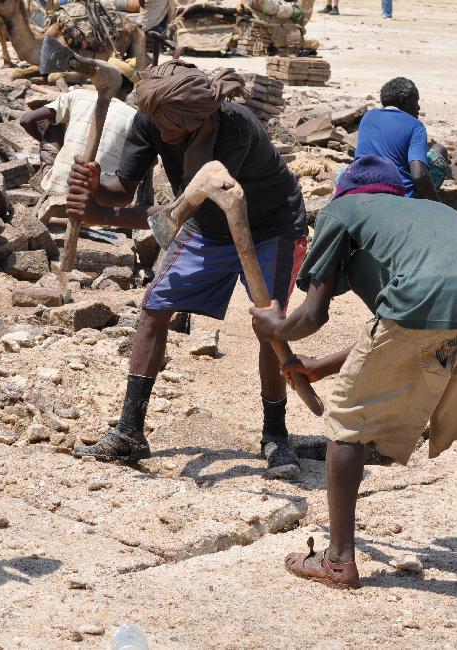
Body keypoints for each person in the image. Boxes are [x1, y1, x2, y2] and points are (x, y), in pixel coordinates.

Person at [250, 156, 457, 592]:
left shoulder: (343, 210)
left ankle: (338, 561)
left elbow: (314, 314)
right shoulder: (437, 213)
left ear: (345, 191)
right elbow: (400, 327)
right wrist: (320, 367)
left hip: (425, 304)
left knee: (345, 428)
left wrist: (274, 327)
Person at [66, 60, 309, 479]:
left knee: (269, 326)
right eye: (157, 126)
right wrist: (95, 189)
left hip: (272, 226)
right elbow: (123, 191)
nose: (163, 136)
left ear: (198, 121)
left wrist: (100, 216)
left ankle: (275, 435)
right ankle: (130, 431)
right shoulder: (154, 119)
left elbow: (175, 215)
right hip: (208, 226)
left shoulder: (235, 128)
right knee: (154, 308)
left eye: (172, 130)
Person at [20, 58, 138, 223]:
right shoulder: (134, 117)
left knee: (54, 121)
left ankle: (54, 185)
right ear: (127, 90)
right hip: (104, 199)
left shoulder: (76, 95)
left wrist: (46, 142)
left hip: (59, 188)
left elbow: (26, 120)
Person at [353, 77, 439, 201]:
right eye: (415, 101)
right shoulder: (415, 126)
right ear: (404, 101)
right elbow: (419, 176)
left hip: (359, 187)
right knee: (439, 151)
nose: (418, 108)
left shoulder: (368, 117)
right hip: (399, 196)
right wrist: (438, 205)